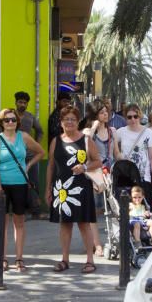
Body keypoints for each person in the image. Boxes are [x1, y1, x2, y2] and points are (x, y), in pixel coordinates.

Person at [45, 104, 102, 273]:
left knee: (84, 223)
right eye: (66, 119)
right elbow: (50, 166)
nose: (69, 122)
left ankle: (90, 260)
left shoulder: (86, 140)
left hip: (81, 187)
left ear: (78, 122)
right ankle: (64, 259)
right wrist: (48, 188)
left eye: (73, 119)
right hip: (61, 188)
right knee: (65, 224)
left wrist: (84, 167)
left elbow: (98, 161)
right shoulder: (56, 141)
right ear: (61, 122)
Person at [0, 108, 44, 272]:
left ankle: (19, 258)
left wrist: (27, 165)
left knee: (19, 222)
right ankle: (3, 258)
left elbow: (41, 152)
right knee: (3, 223)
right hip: (2, 185)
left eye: (13, 120)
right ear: (1, 122)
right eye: (7, 120)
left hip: (20, 184)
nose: (11, 123)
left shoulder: (24, 137)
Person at [84, 101, 115, 256]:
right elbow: (84, 143)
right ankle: (96, 244)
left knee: (112, 208)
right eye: (102, 112)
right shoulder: (89, 131)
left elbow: (117, 153)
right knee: (93, 210)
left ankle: (113, 239)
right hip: (94, 172)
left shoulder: (112, 131)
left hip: (109, 172)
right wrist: (94, 127)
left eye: (106, 111)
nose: (105, 114)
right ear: (95, 114)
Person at [115, 103, 152, 208]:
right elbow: (114, 151)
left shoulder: (148, 132)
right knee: (127, 211)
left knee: (144, 211)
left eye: (135, 116)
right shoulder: (120, 132)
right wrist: (118, 155)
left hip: (143, 177)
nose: (133, 119)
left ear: (139, 116)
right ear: (125, 118)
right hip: (125, 177)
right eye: (129, 117)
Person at [12, 91, 45, 219]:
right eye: (20, 102)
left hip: (31, 156)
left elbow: (40, 131)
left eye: (25, 103)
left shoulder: (30, 117)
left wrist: (35, 144)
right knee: (17, 184)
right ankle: (19, 212)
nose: (22, 104)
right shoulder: (10, 117)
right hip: (14, 156)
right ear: (16, 102)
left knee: (34, 182)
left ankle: (35, 211)